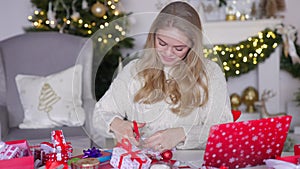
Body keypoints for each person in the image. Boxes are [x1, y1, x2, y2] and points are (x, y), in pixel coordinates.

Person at [92, 1, 233, 152]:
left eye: (179, 48)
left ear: (193, 45)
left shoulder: (210, 73)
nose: (168, 53)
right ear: (153, 37)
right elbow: (99, 114)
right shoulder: (134, 70)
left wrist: (183, 134)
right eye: (162, 43)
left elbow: (223, 131)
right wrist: (117, 124)